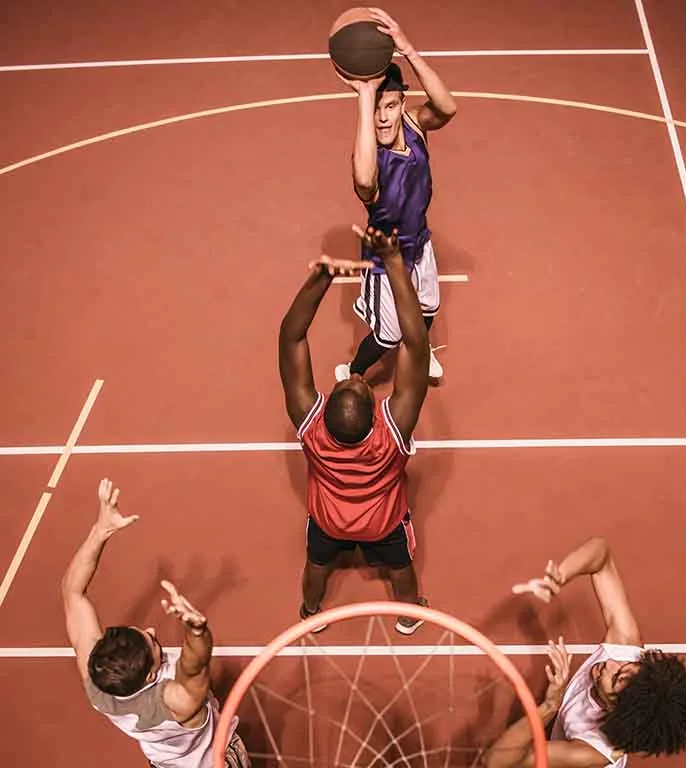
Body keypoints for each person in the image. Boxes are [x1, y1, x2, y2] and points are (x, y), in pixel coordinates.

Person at [279, 227, 430, 634]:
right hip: (383, 524)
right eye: (359, 382)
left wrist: (321, 279)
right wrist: (395, 263)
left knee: (316, 565)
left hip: (329, 523)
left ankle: (311, 613)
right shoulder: (392, 429)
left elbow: (291, 338)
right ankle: (408, 614)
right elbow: (416, 345)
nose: (357, 377)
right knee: (402, 568)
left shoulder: (311, 425)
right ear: (374, 409)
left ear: (324, 406)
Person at [61, 478, 250, 768]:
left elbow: (72, 591)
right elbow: (194, 666)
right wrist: (197, 631)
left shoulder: (98, 687)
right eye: (155, 643)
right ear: (151, 677)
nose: (151, 629)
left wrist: (101, 531)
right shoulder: (177, 704)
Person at [485, 537, 686, 768]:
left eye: (616, 678)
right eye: (624, 667)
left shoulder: (593, 750)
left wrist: (550, 706)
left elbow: (497, 761)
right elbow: (602, 555)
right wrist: (561, 576)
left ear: (613, 710)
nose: (610, 663)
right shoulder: (625, 650)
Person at [335, 7, 457, 383]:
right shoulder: (368, 156)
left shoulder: (416, 126)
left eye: (390, 106)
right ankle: (352, 370)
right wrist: (364, 96)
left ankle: (421, 350)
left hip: (419, 244)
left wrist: (408, 49)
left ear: (403, 103)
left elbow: (448, 107)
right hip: (384, 261)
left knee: (429, 307)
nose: (383, 118)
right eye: (376, 110)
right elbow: (365, 180)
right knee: (388, 335)